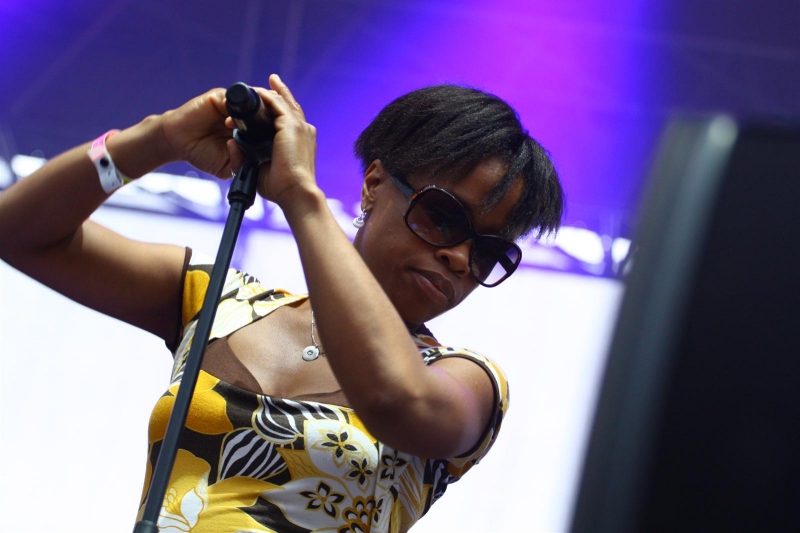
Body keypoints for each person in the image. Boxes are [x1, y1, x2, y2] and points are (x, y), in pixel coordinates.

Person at [0, 74, 563, 532]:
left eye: (489, 252)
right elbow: (18, 231)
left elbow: (394, 400)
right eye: (444, 217)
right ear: (372, 185)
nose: (461, 258)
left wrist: (301, 196)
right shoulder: (218, 301)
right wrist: (157, 138)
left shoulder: (466, 381)